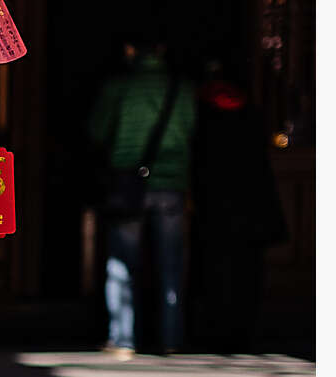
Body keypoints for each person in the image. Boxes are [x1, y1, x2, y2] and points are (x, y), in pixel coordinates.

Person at [87, 37, 197, 357]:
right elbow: (191, 131)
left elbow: (97, 131)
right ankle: (172, 338)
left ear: (130, 50)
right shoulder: (182, 89)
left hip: (129, 182)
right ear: (162, 51)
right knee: (172, 264)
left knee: (122, 262)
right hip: (172, 182)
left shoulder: (117, 88)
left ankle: (123, 339)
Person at [190, 59, 288, 352]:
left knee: (215, 270)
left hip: (216, 207)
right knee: (247, 273)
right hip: (250, 207)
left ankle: (215, 331)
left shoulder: (204, 113)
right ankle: (243, 332)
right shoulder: (249, 112)